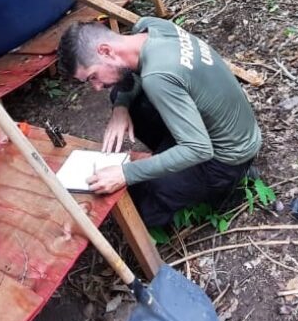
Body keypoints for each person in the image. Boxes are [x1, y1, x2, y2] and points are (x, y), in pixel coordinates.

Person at [57, 17, 261, 227]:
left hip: (226, 159)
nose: (96, 87)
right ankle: (174, 162)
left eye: (93, 76)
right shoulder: (150, 27)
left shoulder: (158, 77)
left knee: (141, 203)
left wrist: (125, 173)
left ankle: (227, 190)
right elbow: (134, 76)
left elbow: (199, 150)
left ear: (106, 51)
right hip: (236, 129)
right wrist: (120, 108)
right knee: (122, 92)